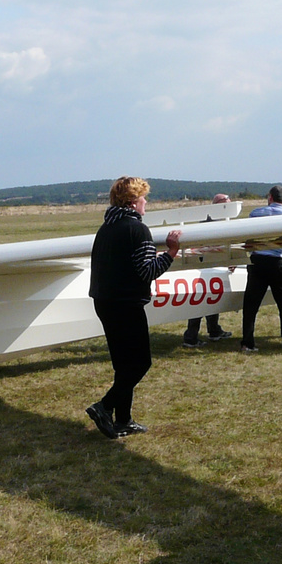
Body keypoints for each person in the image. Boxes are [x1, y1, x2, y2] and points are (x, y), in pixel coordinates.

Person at [87, 177, 182, 438]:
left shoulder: (105, 228)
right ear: (133, 202)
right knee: (140, 363)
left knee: (123, 365)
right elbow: (147, 271)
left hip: (104, 302)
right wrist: (171, 252)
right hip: (126, 305)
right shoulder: (137, 230)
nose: (146, 203)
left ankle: (124, 419)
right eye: (143, 199)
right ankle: (104, 406)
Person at [240, 186, 282, 352]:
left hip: (256, 262)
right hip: (275, 263)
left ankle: (247, 343)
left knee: (251, 305)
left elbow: (247, 239)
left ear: (269, 197)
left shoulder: (255, 213)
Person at [182, 193, 235, 346]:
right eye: (227, 204)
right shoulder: (208, 223)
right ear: (219, 204)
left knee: (212, 298)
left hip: (213, 266)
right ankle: (191, 336)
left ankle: (214, 330)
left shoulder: (223, 222)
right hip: (203, 267)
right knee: (200, 300)